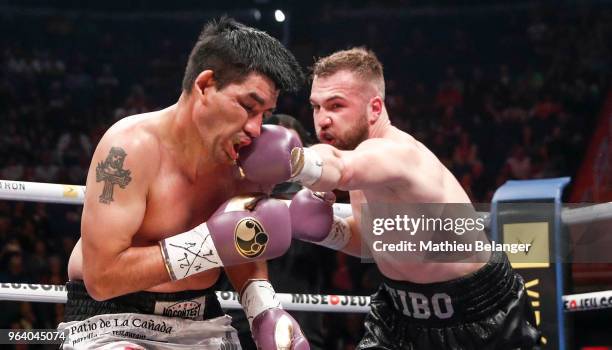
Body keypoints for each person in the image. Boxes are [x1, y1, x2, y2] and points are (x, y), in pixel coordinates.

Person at [238, 48, 541, 349]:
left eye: (336, 106)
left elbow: (338, 167)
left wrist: (295, 160)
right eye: (316, 107)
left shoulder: (396, 155)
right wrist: (330, 232)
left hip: (479, 318)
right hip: (399, 314)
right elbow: (377, 243)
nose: (323, 120)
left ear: (374, 108)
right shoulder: (361, 162)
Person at [58, 17, 309, 350]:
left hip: (200, 318)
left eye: (265, 113)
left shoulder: (241, 158)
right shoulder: (128, 149)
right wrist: (204, 246)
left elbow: (240, 239)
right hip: (113, 320)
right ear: (205, 85)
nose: (255, 127)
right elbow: (102, 279)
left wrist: (261, 307)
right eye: (248, 107)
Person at [222, 114, 327, 349]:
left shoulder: (318, 199)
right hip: (240, 326)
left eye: (289, 154)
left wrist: (328, 222)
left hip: (303, 326)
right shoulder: (235, 198)